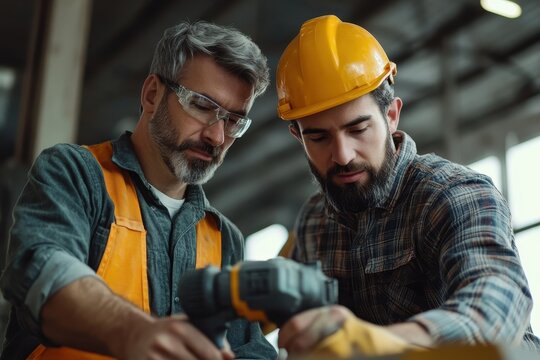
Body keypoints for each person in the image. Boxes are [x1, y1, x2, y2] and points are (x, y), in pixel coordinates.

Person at [0, 21, 276, 360]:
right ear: (151, 95)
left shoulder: (223, 239)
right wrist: (134, 331)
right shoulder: (77, 175)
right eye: (202, 106)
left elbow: (248, 350)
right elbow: (40, 272)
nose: (217, 137)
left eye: (234, 121)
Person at [274, 15, 540, 357]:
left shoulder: (453, 195)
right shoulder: (313, 222)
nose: (342, 155)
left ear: (391, 115)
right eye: (319, 137)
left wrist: (385, 343)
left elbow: (495, 311)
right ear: (298, 136)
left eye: (358, 129)